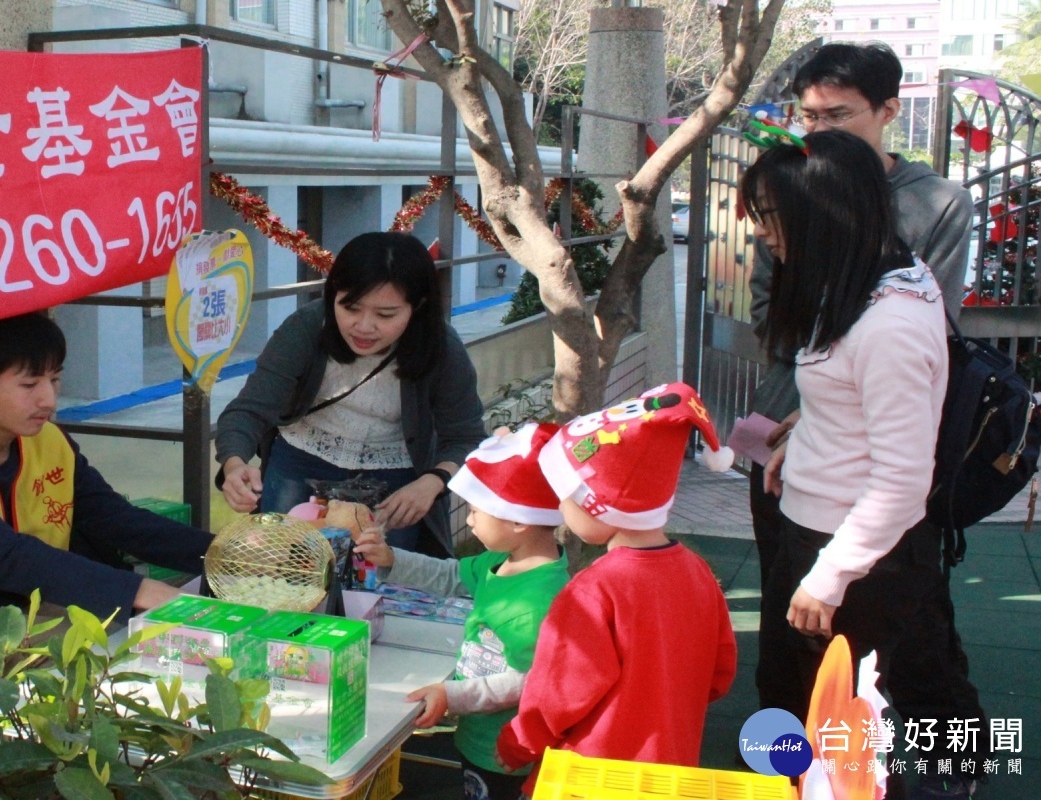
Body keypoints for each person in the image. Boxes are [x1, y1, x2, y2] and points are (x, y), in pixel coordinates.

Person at [744, 130, 985, 799]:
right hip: (816, 530)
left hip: (863, 556)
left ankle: (949, 783)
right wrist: (805, 429)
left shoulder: (892, 320)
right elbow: (846, 396)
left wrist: (829, 577)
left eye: (771, 215)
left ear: (826, 216)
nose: (763, 233)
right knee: (804, 689)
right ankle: (805, 784)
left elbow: (903, 480)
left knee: (909, 684)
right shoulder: (850, 281)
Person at [0, 312, 212, 633]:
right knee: (89, 652)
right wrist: (140, 589)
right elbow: (4, 556)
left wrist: (224, 555)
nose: (49, 399)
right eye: (29, 385)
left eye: (55, 379)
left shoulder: (49, 442)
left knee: (137, 630)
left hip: (24, 597)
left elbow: (117, 520)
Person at [496, 383, 738, 795]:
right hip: (670, 774)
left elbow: (559, 690)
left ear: (599, 504)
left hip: (589, 779)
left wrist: (519, 740)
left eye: (567, 500)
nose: (560, 511)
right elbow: (719, 675)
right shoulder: (698, 572)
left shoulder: (593, 590)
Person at [215, 231, 485, 556]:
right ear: (333, 295)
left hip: (396, 476)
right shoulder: (306, 327)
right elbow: (248, 410)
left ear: (418, 306)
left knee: (384, 583)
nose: (364, 326)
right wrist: (234, 465)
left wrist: (432, 481)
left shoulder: (442, 348)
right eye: (350, 307)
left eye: (385, 315)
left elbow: (465, 436)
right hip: (300, 462)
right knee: (285, 571)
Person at [354, 423, 569, 800]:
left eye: (475, 511)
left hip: (505, 750)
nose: (468, 520)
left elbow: (525, 684)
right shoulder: (503, 560)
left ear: (517, 520)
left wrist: (452, 695)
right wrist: (391, 560)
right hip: (479, 731)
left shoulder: (536, 603)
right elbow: (452, 576)